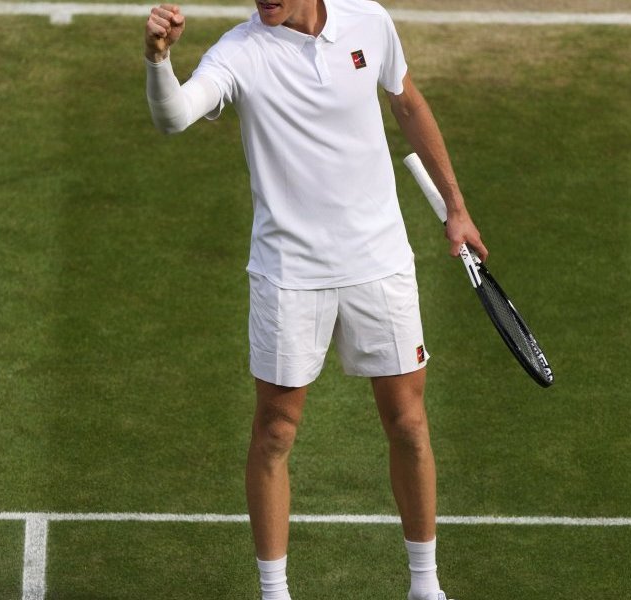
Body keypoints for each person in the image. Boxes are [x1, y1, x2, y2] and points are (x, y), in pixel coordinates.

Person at [143, 1, 486, 598]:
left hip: (379, 263)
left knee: (408, 423)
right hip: (289, 274)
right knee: (275, 432)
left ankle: (425, 586)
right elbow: (174, 116)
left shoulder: (368, 21)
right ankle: (274, 593)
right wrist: (158, 60)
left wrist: (456, 206)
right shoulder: (239, 52)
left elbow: (406, 102)